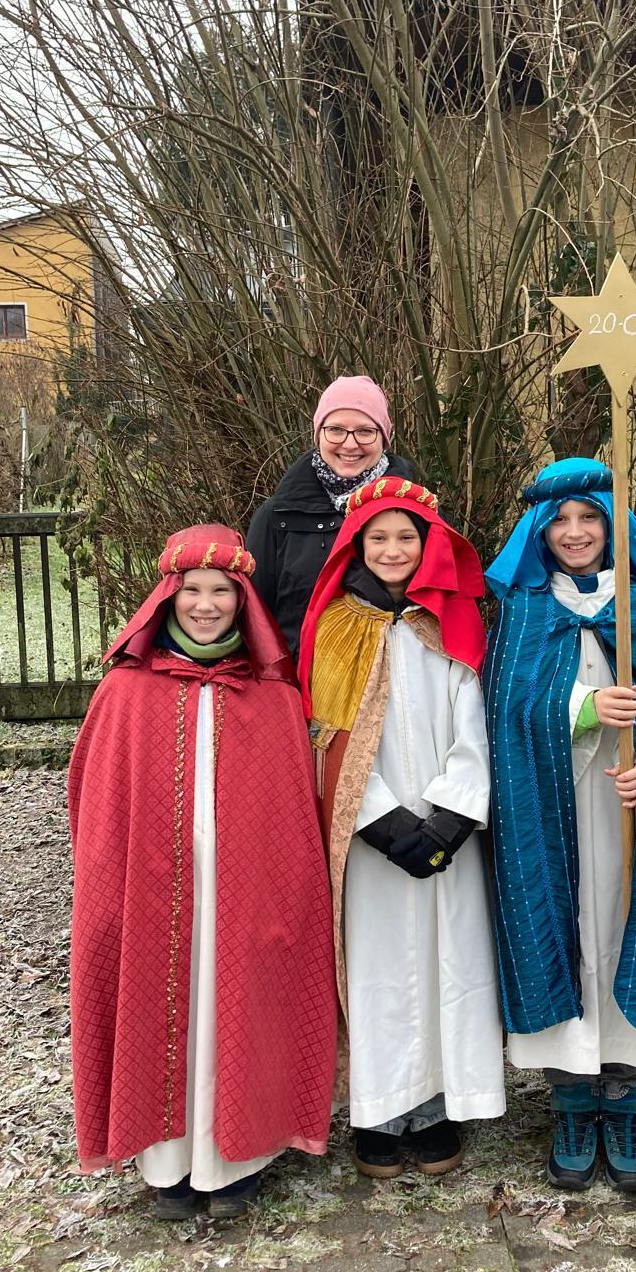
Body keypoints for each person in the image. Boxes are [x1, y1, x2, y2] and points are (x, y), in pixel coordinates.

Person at [68, 526, 338, 1220]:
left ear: (242, 601)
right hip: (153, 893)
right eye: (192, 590)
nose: (206, 604)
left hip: (243, 898)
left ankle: (235, 1158)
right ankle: (168, 1163)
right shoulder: (125, 691)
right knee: (159, 1004)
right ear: (169, 597)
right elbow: (95, 806)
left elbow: (293, 818)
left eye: (222, 591)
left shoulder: (274, 696)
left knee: (239, 1003)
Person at [484, 459, 636, 1193]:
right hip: (549, 814)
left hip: (627, 816)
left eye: (590, 518)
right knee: (564, 933)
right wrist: (582, 711)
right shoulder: (522, 615)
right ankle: (573, 1102)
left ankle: (626, 1099)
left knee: (622, 932)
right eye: (560, 520)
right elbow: (505, 721)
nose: (575, 532)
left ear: (614, 528)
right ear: (538, 531)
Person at [299, 477, 505, 1177]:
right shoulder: (335, 626)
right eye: (378, 537)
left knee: (453, 960)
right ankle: (382, 1108)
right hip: (371, 839)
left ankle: (441, 1102)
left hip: (450, 835)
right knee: (380, 965)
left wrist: (450, 817)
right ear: (356, 545)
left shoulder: (450, 621)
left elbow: (477, 718)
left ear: (427, 545)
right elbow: (329, 737)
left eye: (406, 537)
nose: (392, 549)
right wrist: (384, 823)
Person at [247, 375, 415, 654]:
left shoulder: (416, 512)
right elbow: (255, 619)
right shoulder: (276, 516)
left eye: (365, 431)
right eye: (336, 430)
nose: (349, 444)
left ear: (384, 438)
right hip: (300, 677)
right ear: (318, 434)